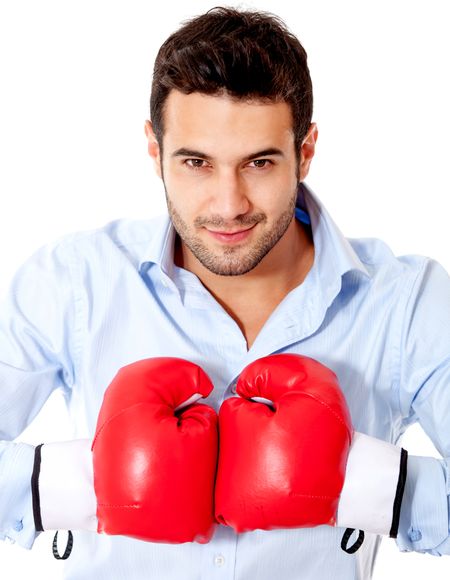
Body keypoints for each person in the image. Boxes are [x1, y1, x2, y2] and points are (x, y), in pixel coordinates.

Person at [0, 5, 449, 579]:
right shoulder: (74, 281)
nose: (228, 203)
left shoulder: (407, 303)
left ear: (306, 151)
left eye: (259, 162)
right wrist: (70, 486)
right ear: (153, 149)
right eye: (196, 163)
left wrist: (369, 485)